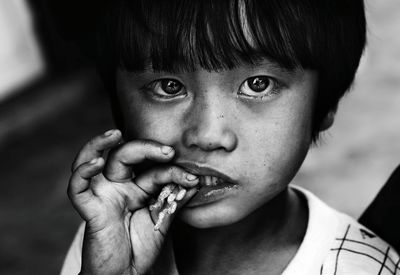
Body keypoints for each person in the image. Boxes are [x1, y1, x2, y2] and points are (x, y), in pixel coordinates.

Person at [58, 0, 400, 274]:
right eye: (169, 86)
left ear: (324, 106)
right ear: (118, 103)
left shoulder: (364, 268)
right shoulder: (113, 234)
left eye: (258, 84)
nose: (207, 135)